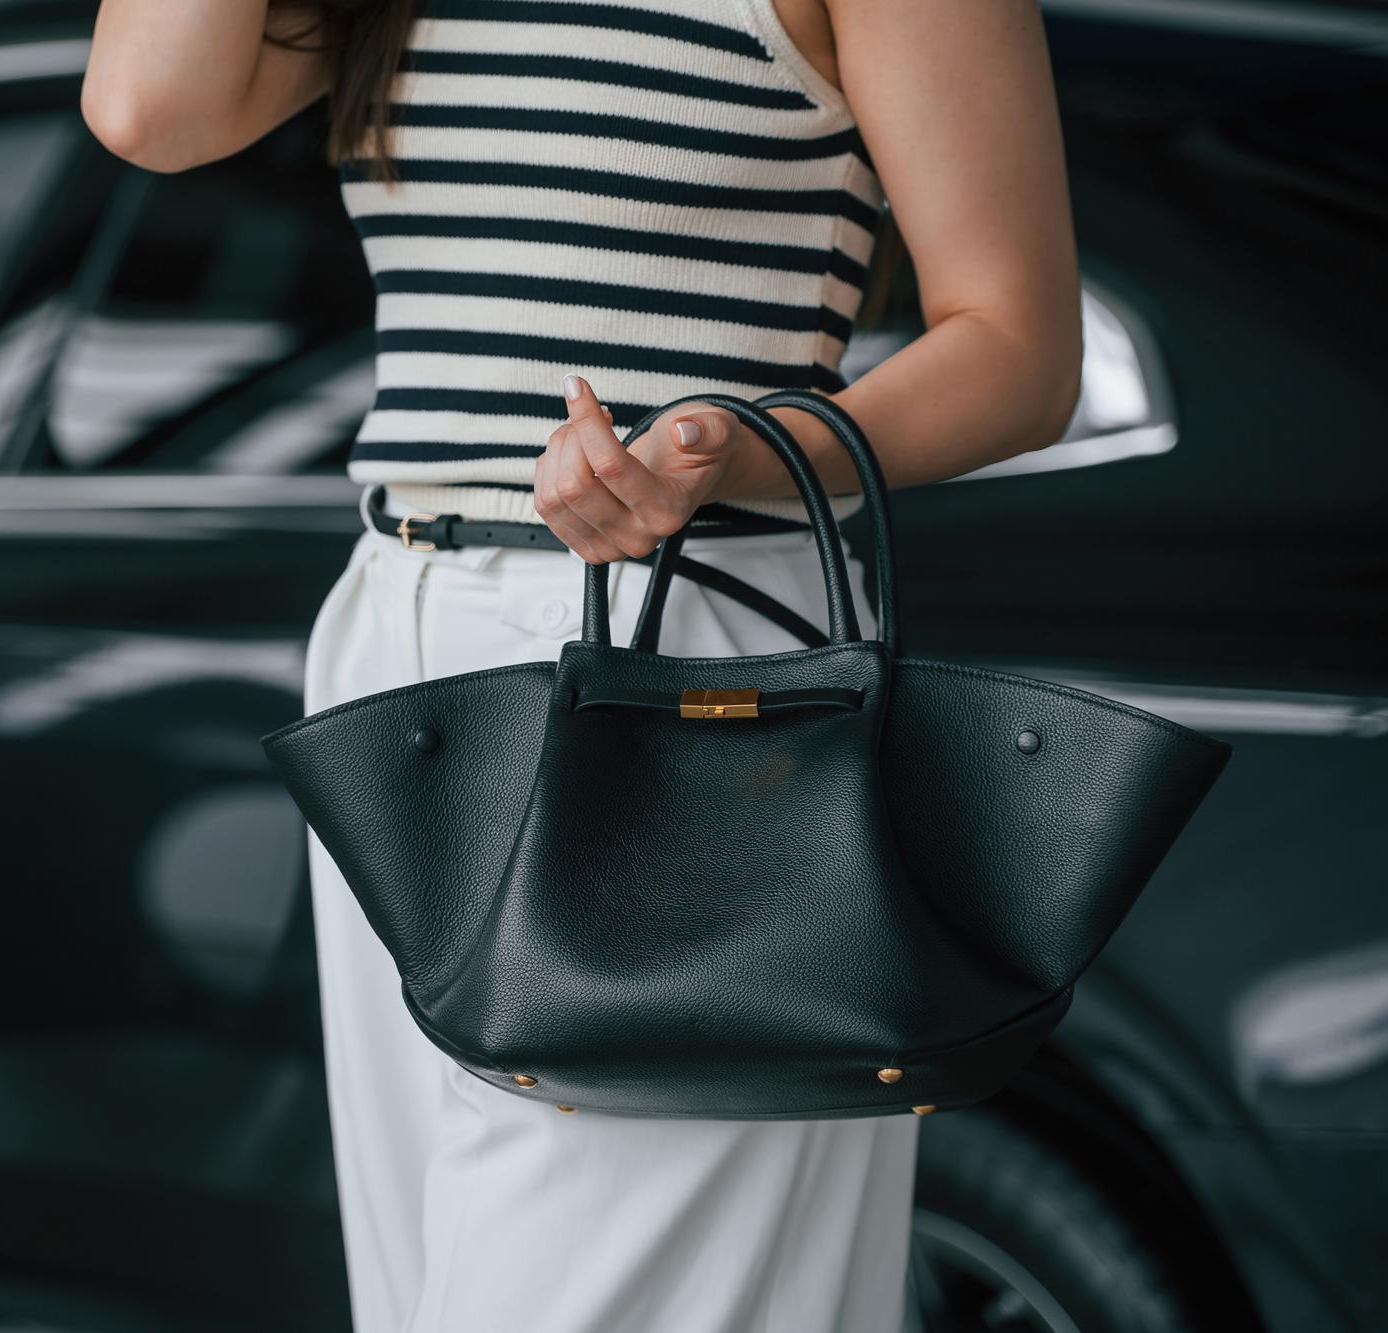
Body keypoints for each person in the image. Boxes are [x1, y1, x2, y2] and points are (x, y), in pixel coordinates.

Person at [83, 1, 1082, 1329]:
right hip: (401, 633)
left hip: (685, 649)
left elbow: (1019, 345)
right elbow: (150, 105)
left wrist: (744, 446)